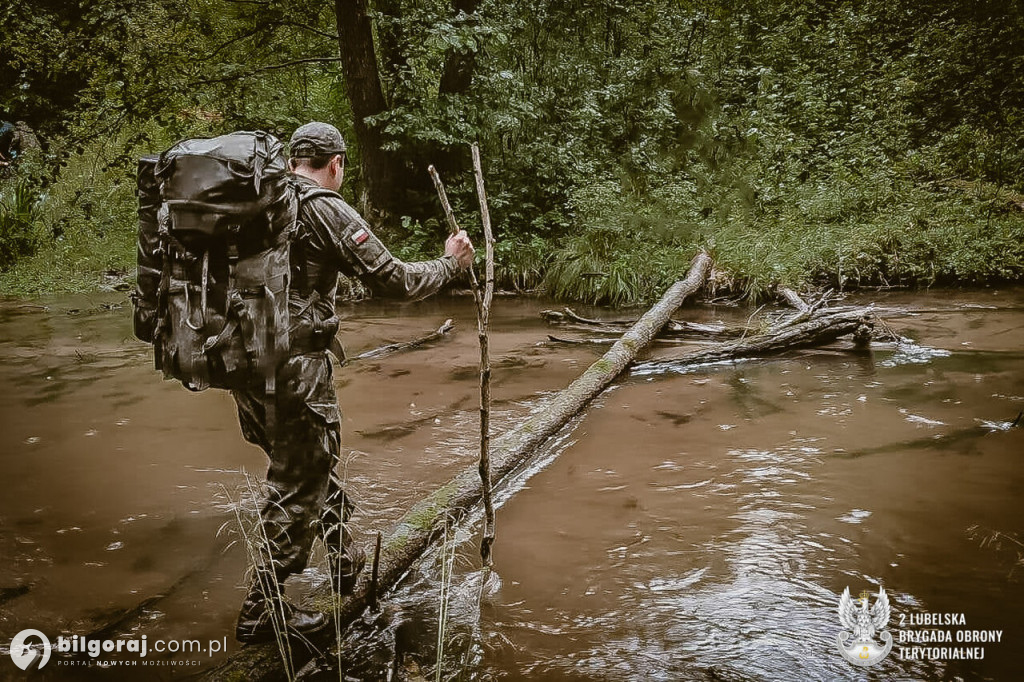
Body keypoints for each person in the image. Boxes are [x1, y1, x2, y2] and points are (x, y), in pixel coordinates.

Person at [232, 122, 474, 643]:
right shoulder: (323, 207)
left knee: (308, 459)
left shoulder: (258, 200)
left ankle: (344, 560)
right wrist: (451, 265)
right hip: (295, 367)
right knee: (297, 480)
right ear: (336, 163)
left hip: (244, 363)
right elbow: (397, 282)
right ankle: (261, 613)